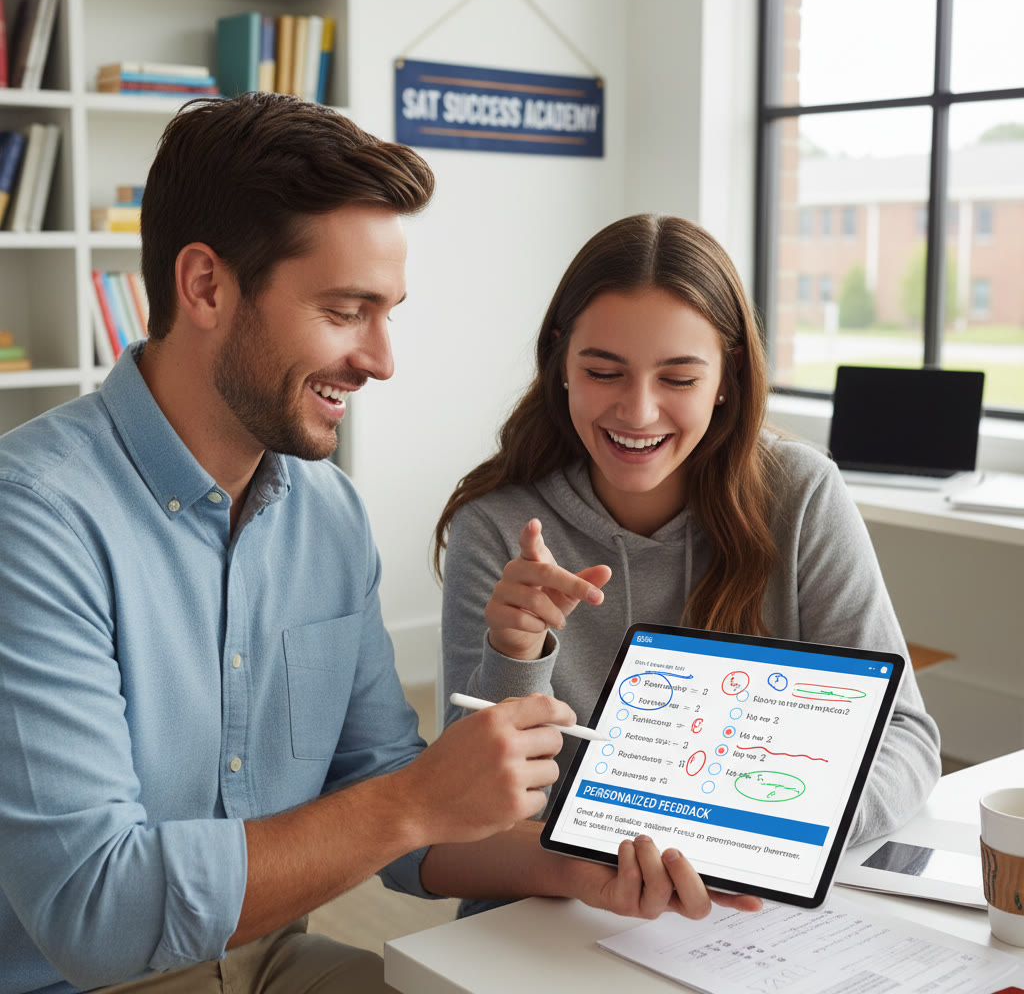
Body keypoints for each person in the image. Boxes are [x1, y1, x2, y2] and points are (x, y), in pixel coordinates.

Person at [0, 99, 760, 994]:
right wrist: (414, 800)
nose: (382, 359)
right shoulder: (34, 521)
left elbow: (397, 817)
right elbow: (97, 913)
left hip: (270, 958)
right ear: (205, 286)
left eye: (389, 311)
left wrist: (573, 868)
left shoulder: (327, 515)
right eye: (345, 310)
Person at [435, 214, 942, 914]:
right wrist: (516, 654)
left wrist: (770, 845)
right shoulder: (494, 526)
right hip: (550, 921)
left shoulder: (799, 494)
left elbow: (906, 738)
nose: (638, 411)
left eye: (678, 377)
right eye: (603, 371)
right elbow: (464, 823)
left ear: (727, 377)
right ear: (560, 363)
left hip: (747, 916)